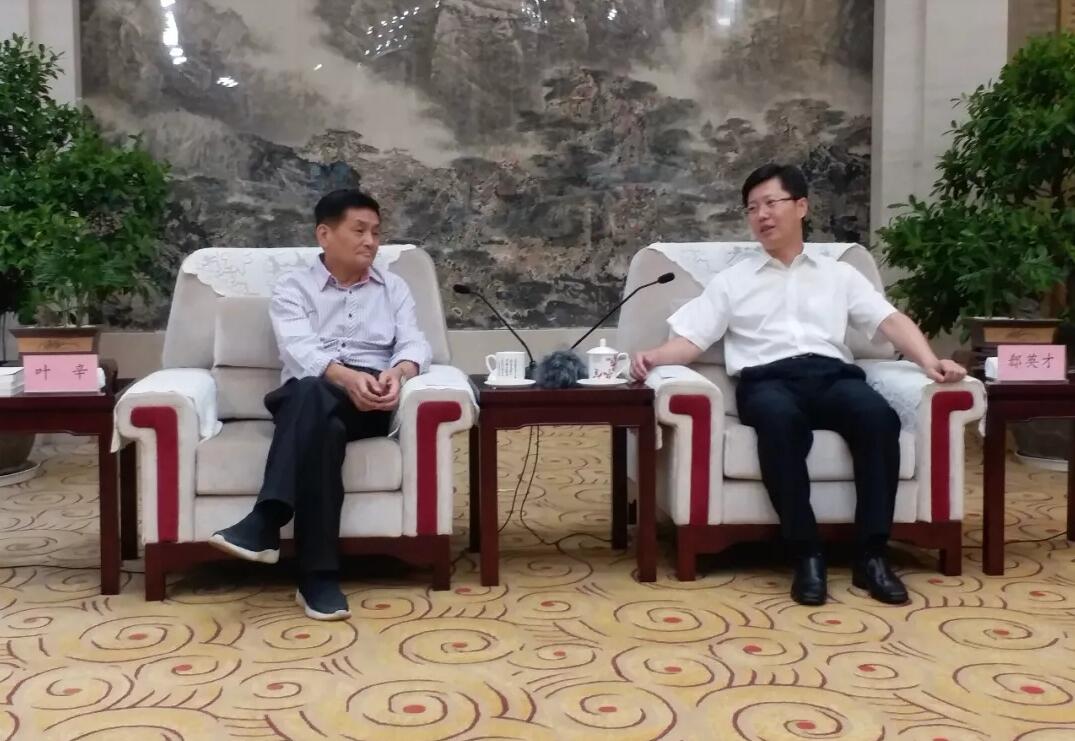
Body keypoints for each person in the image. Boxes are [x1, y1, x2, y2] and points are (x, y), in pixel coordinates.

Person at [630, 164, 966, 606]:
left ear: (801, 206)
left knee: (878, 419)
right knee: (779, 423)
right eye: (752, 208)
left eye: (771, 203)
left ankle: (872, 556)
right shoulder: (732, 282)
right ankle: (807, 554)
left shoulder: (839, 275)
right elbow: (692, 340)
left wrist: (929, 361)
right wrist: (654, 356)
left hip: (832, 376)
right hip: (766, 381)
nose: (762, 215)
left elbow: (889, 321)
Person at [209, 189, 431, 620]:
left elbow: (414, 342)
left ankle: (267, 522)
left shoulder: (393, 288)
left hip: (369, 403)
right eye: (359, 230)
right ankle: (318, 579)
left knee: (317, 405)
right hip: (309, 394)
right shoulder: (294, 287)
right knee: (317, 410)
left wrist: (398, 372)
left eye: (376, 232)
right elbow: (299, 350)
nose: (371, 241)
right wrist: (347, 377)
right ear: (324, 235)